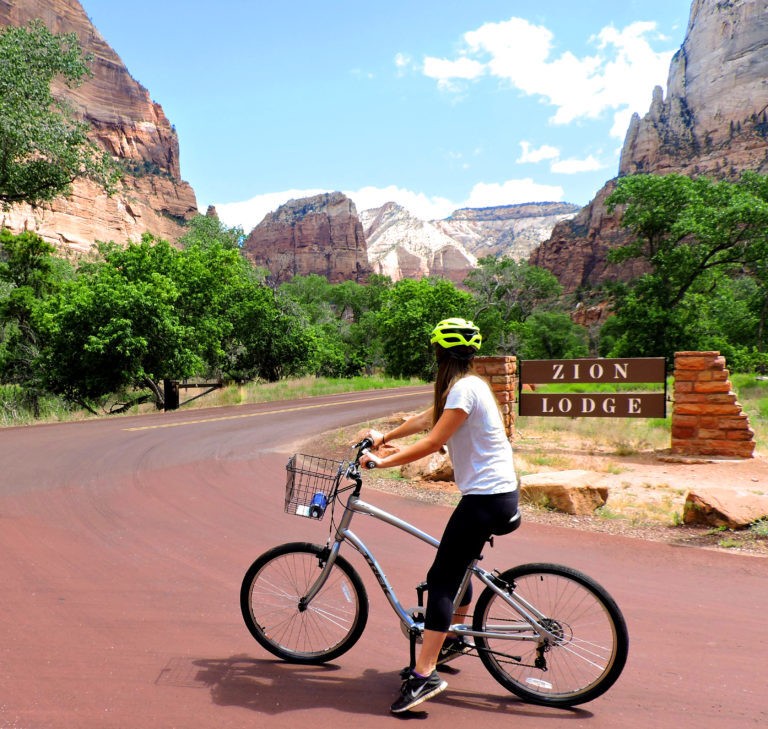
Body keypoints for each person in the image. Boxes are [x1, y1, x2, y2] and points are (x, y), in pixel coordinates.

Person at [359, 317, 519, 714]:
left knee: (441, 581)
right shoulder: (468, 386)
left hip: (486, 500)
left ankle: (424, 673)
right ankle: (451, 639)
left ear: (438, 352)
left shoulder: (463, 388)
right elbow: (428, 418)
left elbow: (433, 441)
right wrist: (385, 437)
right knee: (458, 567)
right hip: (496, 495)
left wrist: (382, 463)